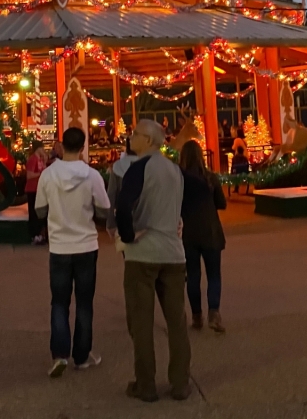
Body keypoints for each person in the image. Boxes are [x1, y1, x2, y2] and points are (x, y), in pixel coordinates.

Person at [115, 119, 191, 403]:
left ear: (148, 140)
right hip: (174, 253)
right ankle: (180, 383)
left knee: (141, 322)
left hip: (143, 254)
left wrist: (127, 235)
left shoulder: (138, 169)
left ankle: (145, 385)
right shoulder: (175, 170)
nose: (130, 138)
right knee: (176, 322)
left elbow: (123, 206)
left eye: (134, 134)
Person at [34, 127, 111, 377]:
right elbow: (103, 210)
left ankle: (59, 354)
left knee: (59, 301)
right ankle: (81, 355)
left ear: (60, 145)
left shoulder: (48, 175)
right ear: (83, 146)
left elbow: (40, 211)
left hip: (59, 247)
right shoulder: (92, 176)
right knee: (85, 303)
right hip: (86, 245)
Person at [178, 141, 226, 333]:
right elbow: (221, 203)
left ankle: (197, 316)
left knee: (193, 275)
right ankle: (214, 312)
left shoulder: (180, 180)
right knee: (214, 274)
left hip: (188, 233)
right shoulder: (210, 178)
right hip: (211, 231)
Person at [105, 139, 139, 236]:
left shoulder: (118, 166)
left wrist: (110, 223)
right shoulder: (149, 164)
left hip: (124, 216)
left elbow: (111, 194)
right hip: (146, 218)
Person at [25, 140, 49, 245]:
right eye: (42, 148)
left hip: (39, 189)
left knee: (39, 212)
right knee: (34, 213)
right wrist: (41, 173)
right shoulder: (32, 159)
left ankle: (40, 234)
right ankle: (34, 235)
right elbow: (29, 175)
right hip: (32, 189)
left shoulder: (39, 159)